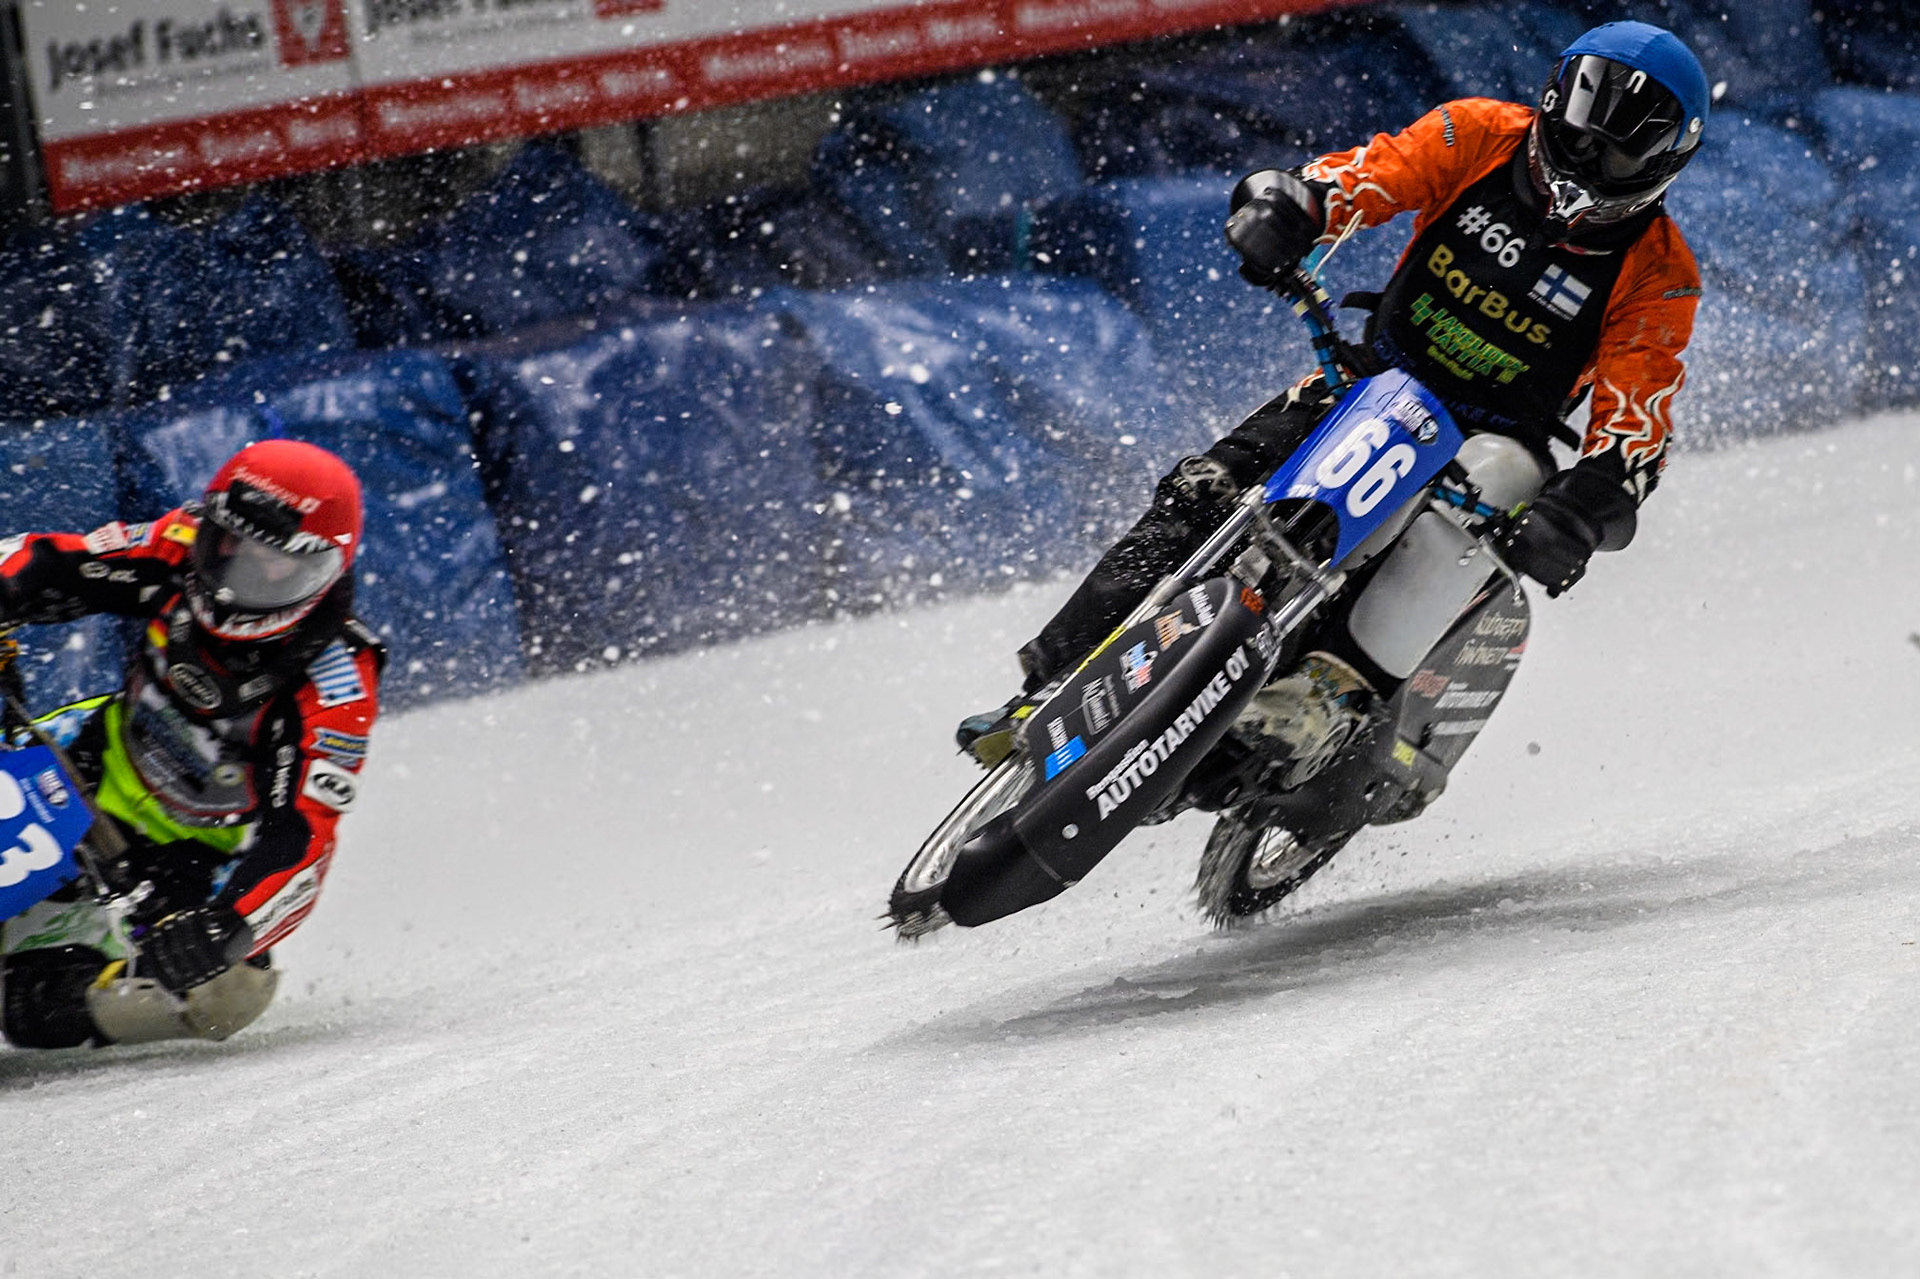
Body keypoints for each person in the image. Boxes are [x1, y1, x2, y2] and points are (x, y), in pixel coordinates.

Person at [962, 20, 1708, 772]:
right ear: (1550, 110)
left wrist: (1586, 506)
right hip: (1368, 382)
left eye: (1611, 156)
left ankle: (1328, 693)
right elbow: (1362, 178)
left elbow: (1636, 416)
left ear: (1662, 165)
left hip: (1492, 443)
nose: (1581, 168)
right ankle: (1053, 678)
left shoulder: (1659, 271)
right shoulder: (1479, 132)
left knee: (1500, 472)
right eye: (1576, 140)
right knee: (1201, 488)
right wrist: (1291, 207)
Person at [0, 439, 384, 1048]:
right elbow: (41, 559)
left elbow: (303, 838)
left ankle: (41, 991)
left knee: (228, 994)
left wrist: (226, 926)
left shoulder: (336, 683)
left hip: (183, 856)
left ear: (325, 569)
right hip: (81, 760)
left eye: (273, 562)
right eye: (229, 545)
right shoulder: (176, 543)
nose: (236, 576)